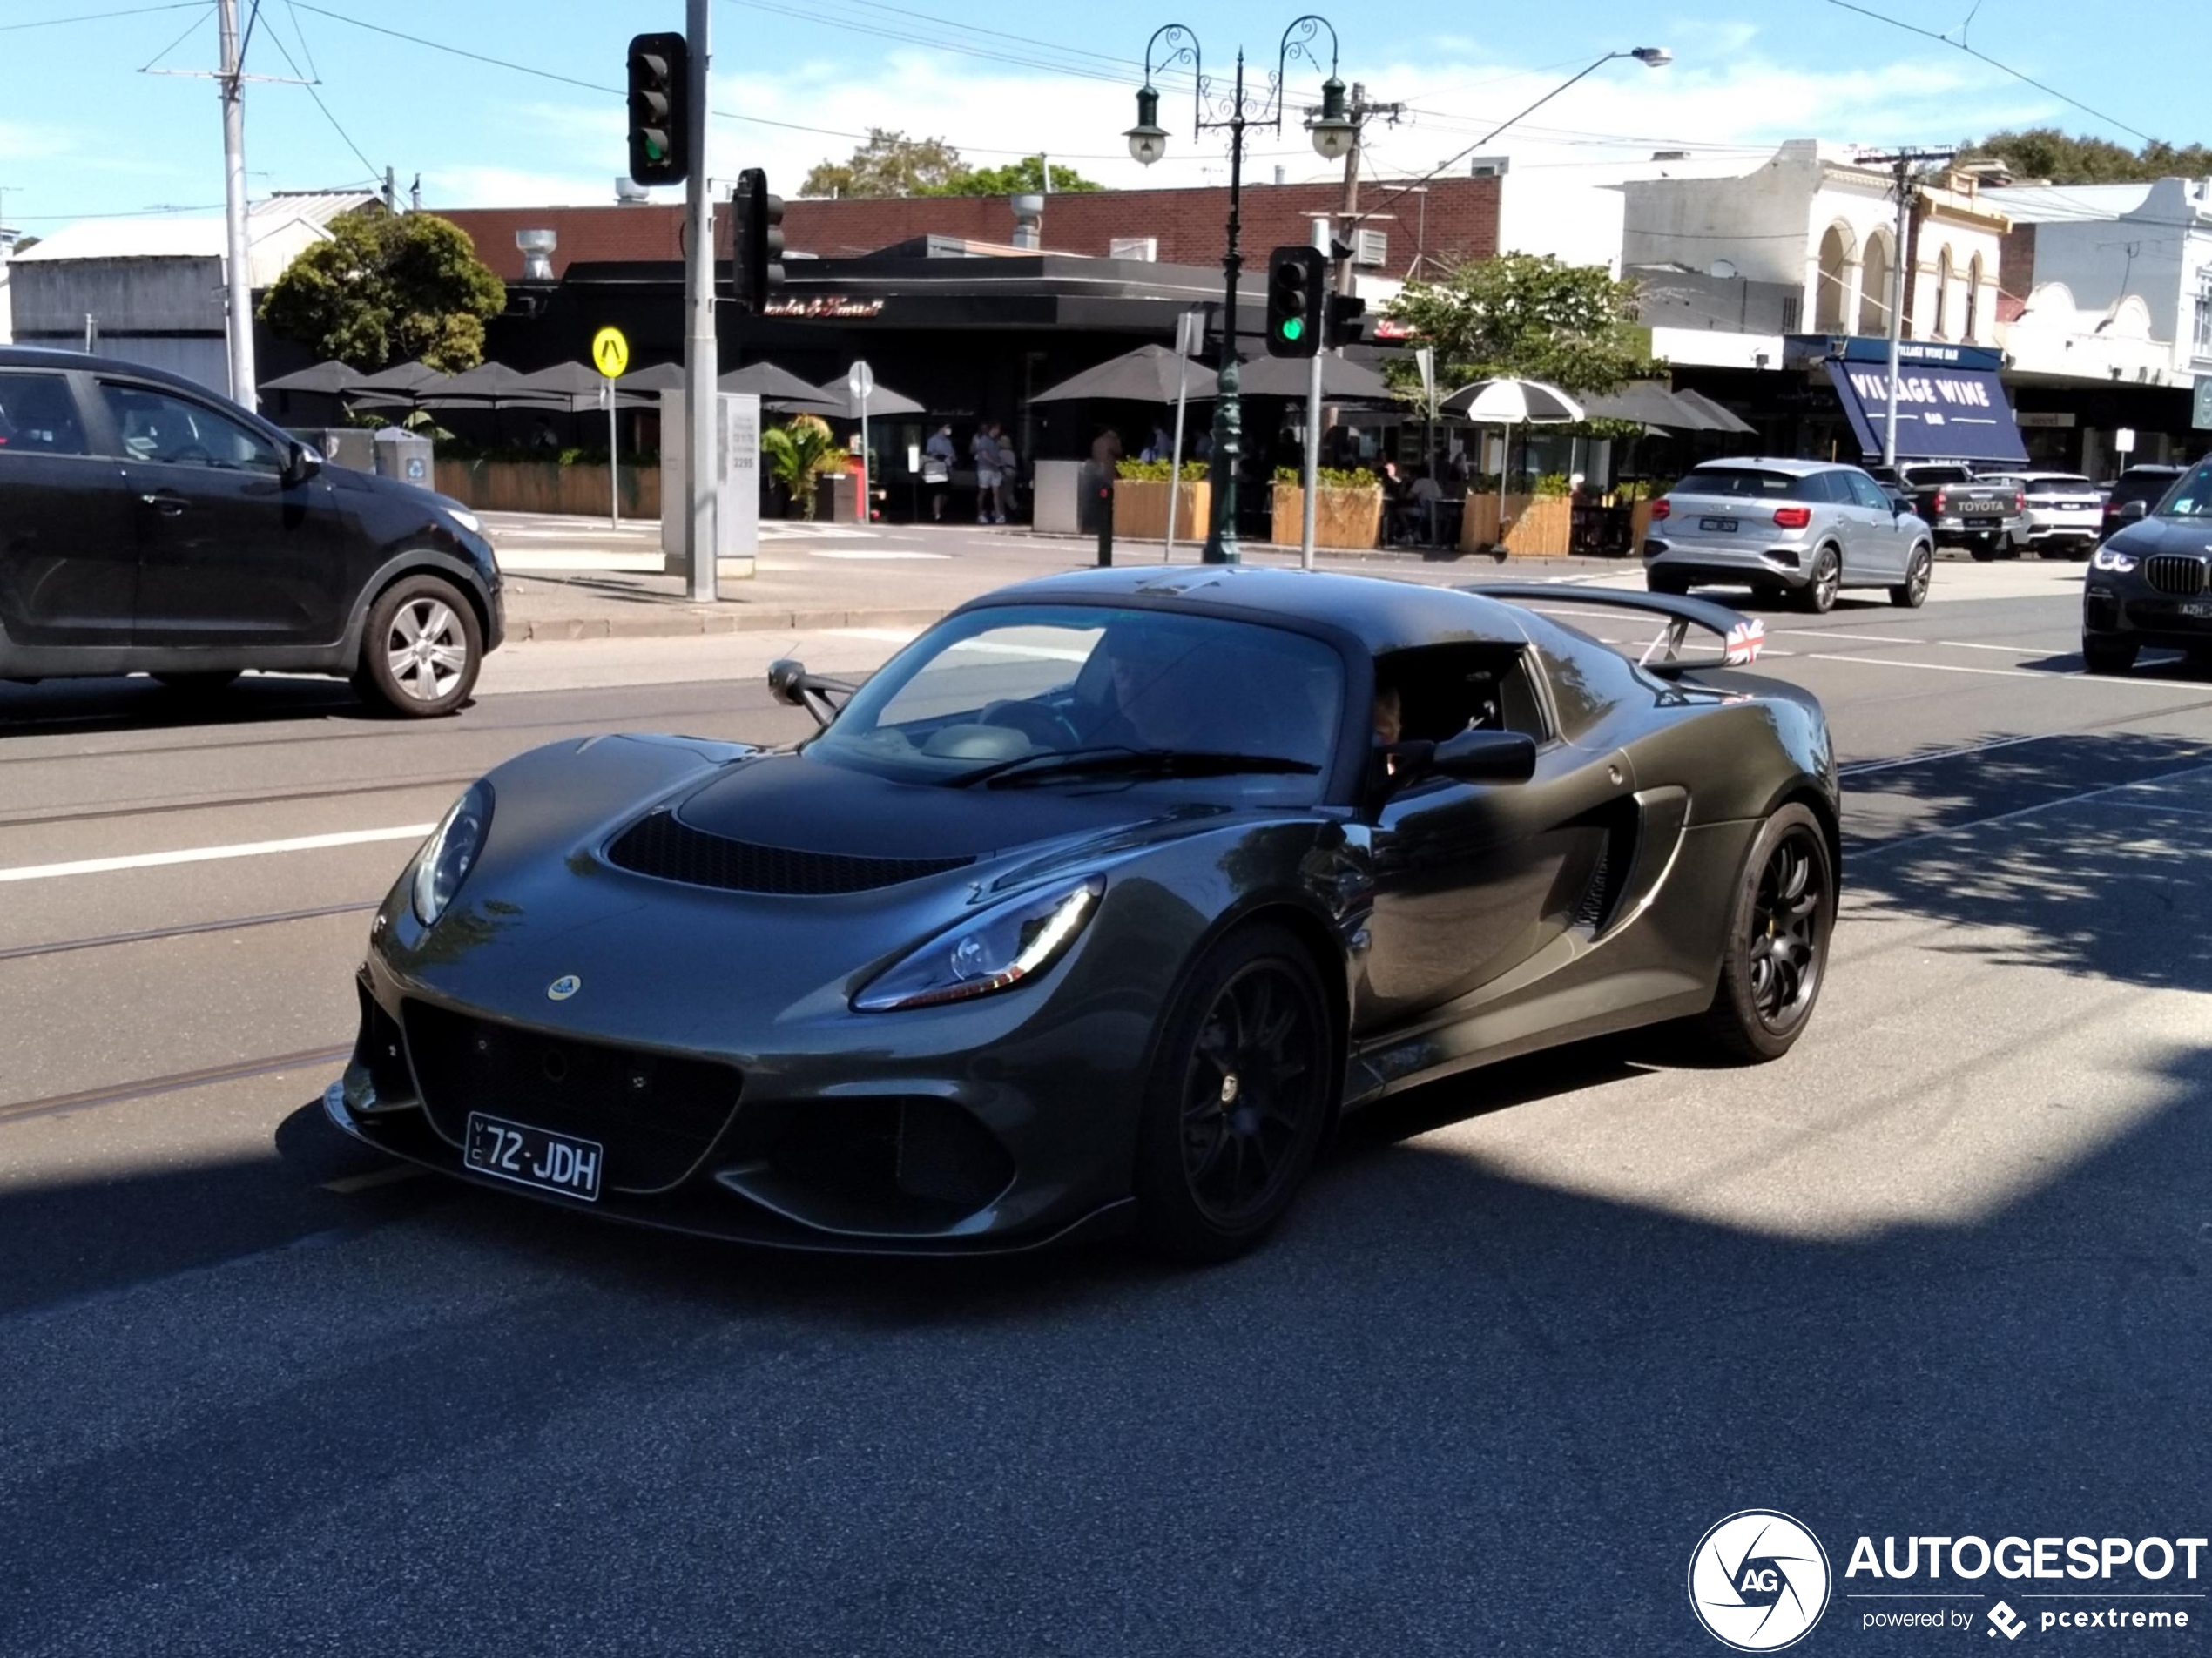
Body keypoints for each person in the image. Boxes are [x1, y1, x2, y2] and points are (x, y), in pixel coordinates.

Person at [922, 422, 954, 522]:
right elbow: (929, 453)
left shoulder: (948, 442)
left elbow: (952, 454)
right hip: (936, 468)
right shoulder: (932, 440)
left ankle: (938, 510)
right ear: (941, 428)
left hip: (946, 468)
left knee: (946, 494)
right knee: (938, 492)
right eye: (946, 427)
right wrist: (939, 456)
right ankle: (937, 514)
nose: (948, 430)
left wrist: (951, 460)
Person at [972, 423, 1003, 524]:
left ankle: (998, 514)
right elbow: (984, 455)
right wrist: (996, 463)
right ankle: (980, 514)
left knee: (996, 492)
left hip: (994, 469)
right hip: (985, 468)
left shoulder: (996, 441)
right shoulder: (984, 440)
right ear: (993, 429)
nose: (998, 431)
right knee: (983, 491)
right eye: (997, 429)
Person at [990, 423, 1020, 523]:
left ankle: (1012, 511)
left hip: (1005, 473)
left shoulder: (1001, 453)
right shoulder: (1011, 452)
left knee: (1003, 495)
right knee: (1009, 493)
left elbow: (998, 464)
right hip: (1013, 473)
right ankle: (1013, 510)